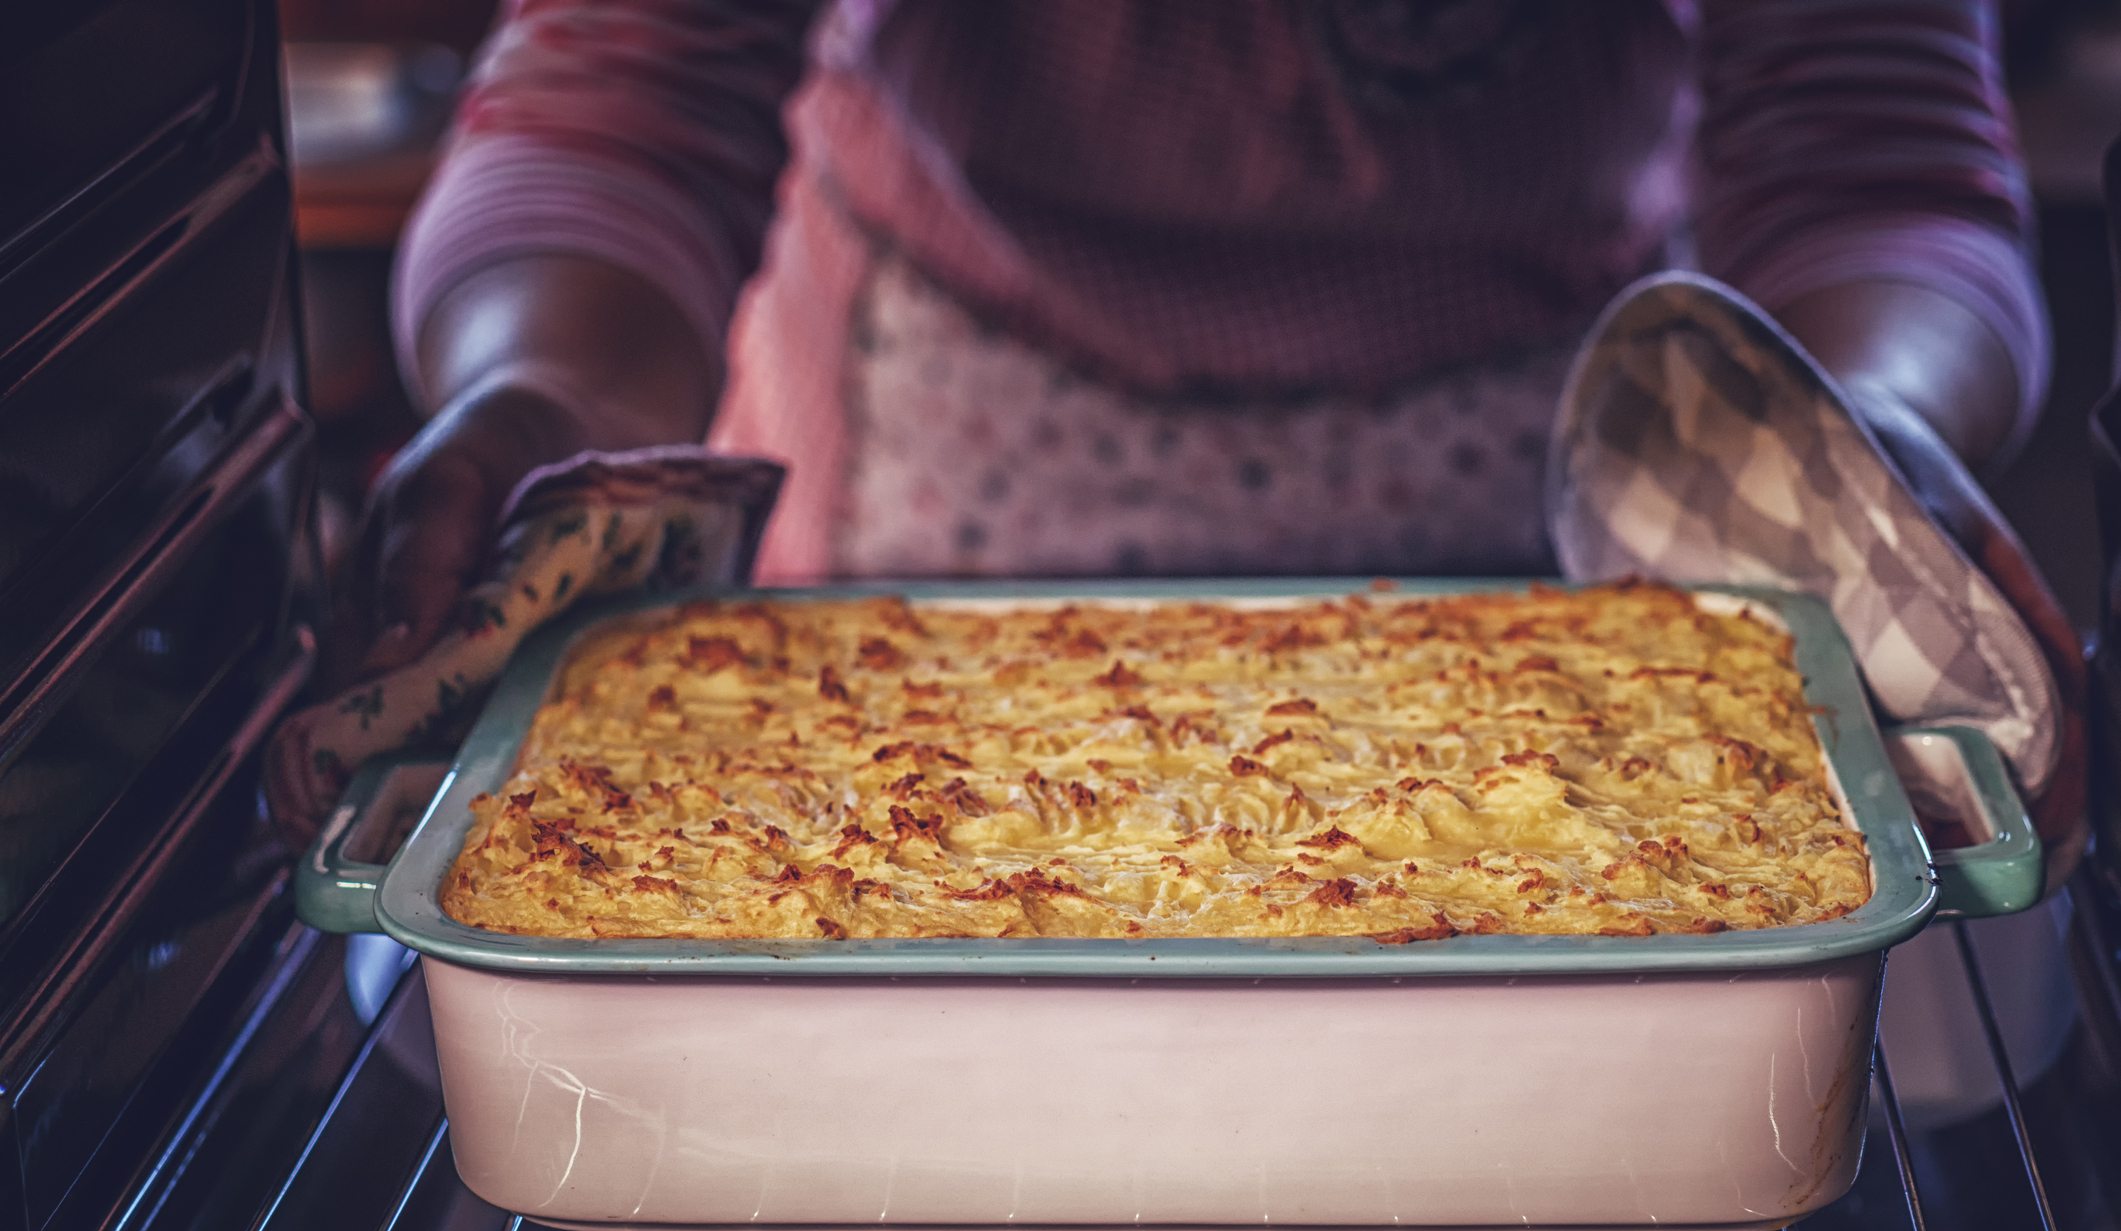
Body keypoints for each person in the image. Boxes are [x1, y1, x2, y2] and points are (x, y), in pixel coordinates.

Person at [328, 0, 2063, 697]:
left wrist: (1868, 433)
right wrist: (539, 406)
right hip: (963, 463)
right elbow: (626, 105)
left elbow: (1869, 149)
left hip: (1550, 471)